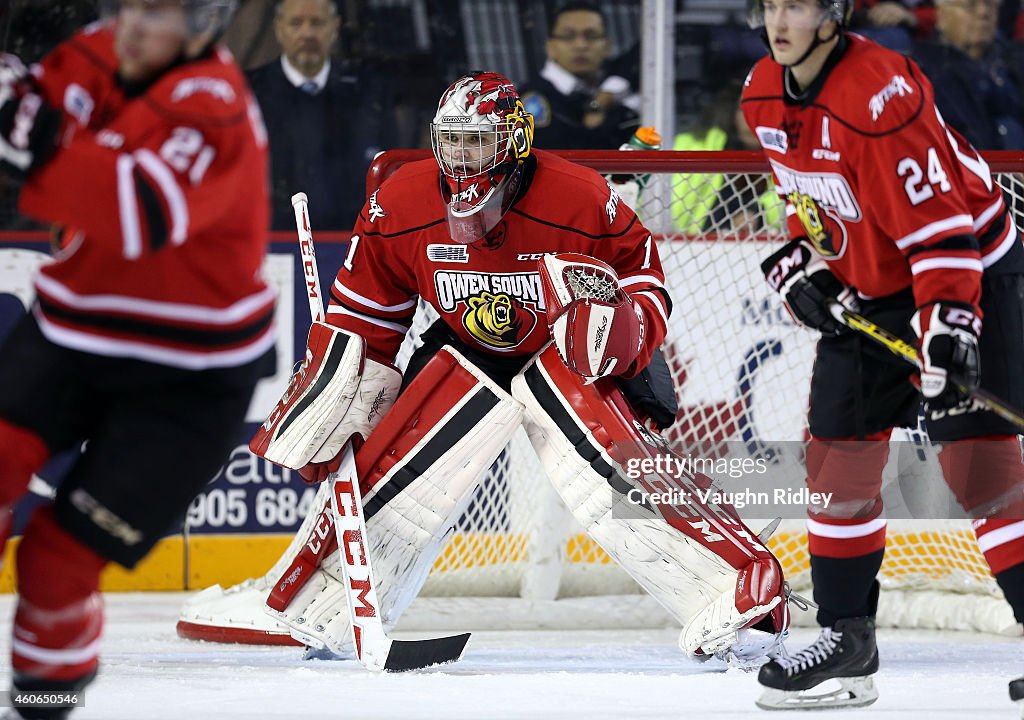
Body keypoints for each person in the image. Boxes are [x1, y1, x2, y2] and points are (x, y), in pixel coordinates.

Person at [181, 70, 794, 671]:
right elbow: (363, 318)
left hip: (566, 350)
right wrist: (338, 401)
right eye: (452, 139)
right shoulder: (400, 200)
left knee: (608, 469)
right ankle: (317, 607)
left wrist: (620, 334)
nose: (464, 158)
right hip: (465, 346)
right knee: (397, 468)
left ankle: (745, 593)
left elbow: (645, 285)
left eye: (479, 141)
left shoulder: (581, 198)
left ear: (517, 141)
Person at [742, 0, 1024, 710]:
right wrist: (806, 267)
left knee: (979, 465)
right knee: (836, 457)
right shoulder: (762, 91)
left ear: (833, 15)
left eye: (798, 6)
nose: (782, 20)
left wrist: (951, 330)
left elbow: (944, 227)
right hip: (876, 286)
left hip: (967, 269)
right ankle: (847, 642)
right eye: (773, 4)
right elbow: (808, 201)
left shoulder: (879, 92)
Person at [0, 1, 276, 716]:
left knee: (55, 565)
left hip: (189, 378)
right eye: (131, 5)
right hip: (75, 331)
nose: (135, 26)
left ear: (206, 26)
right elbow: (32, 106)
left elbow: (136, 210)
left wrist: (21, 128)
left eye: (161, 12)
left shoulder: (214, 106)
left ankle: (43, 704)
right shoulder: (95, 52)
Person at [246, 0, 392, 230]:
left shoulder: (367, 91)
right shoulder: (247, 93)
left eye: (317, 23)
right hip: (270, 241)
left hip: (349, 241)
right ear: (278, 27)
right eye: (296, 23)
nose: (307, 33)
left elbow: (387, 174)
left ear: (335, 27)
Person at [519, 2, 639, 149]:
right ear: (550, 46)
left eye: (592, 36)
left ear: (607, 45)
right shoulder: (529, 99)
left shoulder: (615, 86)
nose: (581, 45)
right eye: (568, 36)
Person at [913, 0, 1024, 151]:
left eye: (991, 5)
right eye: (970, 5)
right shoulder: (921, 69)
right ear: (942, 13)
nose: (983, 13)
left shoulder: (1016, 58)